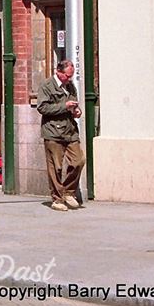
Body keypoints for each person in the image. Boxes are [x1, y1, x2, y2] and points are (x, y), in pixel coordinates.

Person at [37, 59, 85, 211]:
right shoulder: (47, 86)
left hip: (70, 131)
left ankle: (69, 191)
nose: (69, 79)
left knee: (79, 160)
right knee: (55, 167)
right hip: (53, 132)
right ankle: (57, 198)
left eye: (71, 76)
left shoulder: (70, 87)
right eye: (66, 76)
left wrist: (76, 111)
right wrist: (64, 106)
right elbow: (42, 107)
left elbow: (74, 105)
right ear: (58, 72)